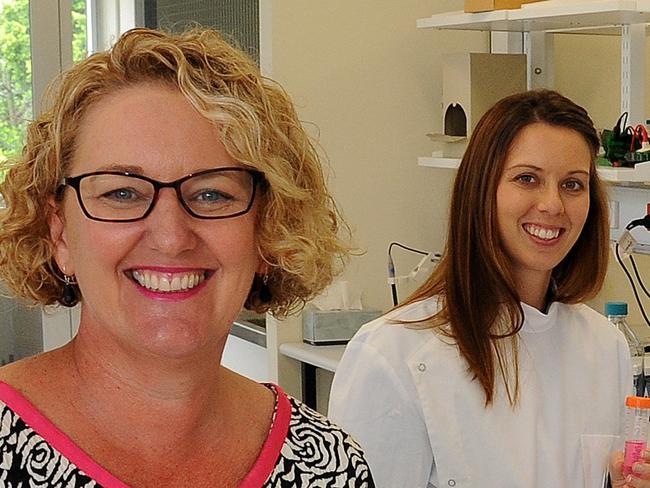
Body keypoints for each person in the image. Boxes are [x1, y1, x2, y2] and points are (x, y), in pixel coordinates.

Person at [0, 27, 374, 487]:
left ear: (269, 230)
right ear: (59, 233)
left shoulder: (330, 466)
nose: (171, 237)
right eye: (121, 192)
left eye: (213, 194)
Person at [329, 89, 638, 487]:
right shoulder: (393, 354)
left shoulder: (604, 347)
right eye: (527, 179)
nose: (553, 205)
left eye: (573, 185)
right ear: (481, 189)